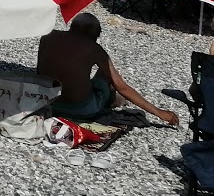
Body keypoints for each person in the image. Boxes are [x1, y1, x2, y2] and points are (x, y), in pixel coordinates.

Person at [36, 13, 179, 125]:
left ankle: (113, 99)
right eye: (97, 35)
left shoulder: (48, 37)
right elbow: (122, 87)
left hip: (45, 103)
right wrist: (159, 113)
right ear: (92, 33)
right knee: (105, 75)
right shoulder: (93, 48)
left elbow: (43, 71)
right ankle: (114, 100)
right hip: (80, 110)